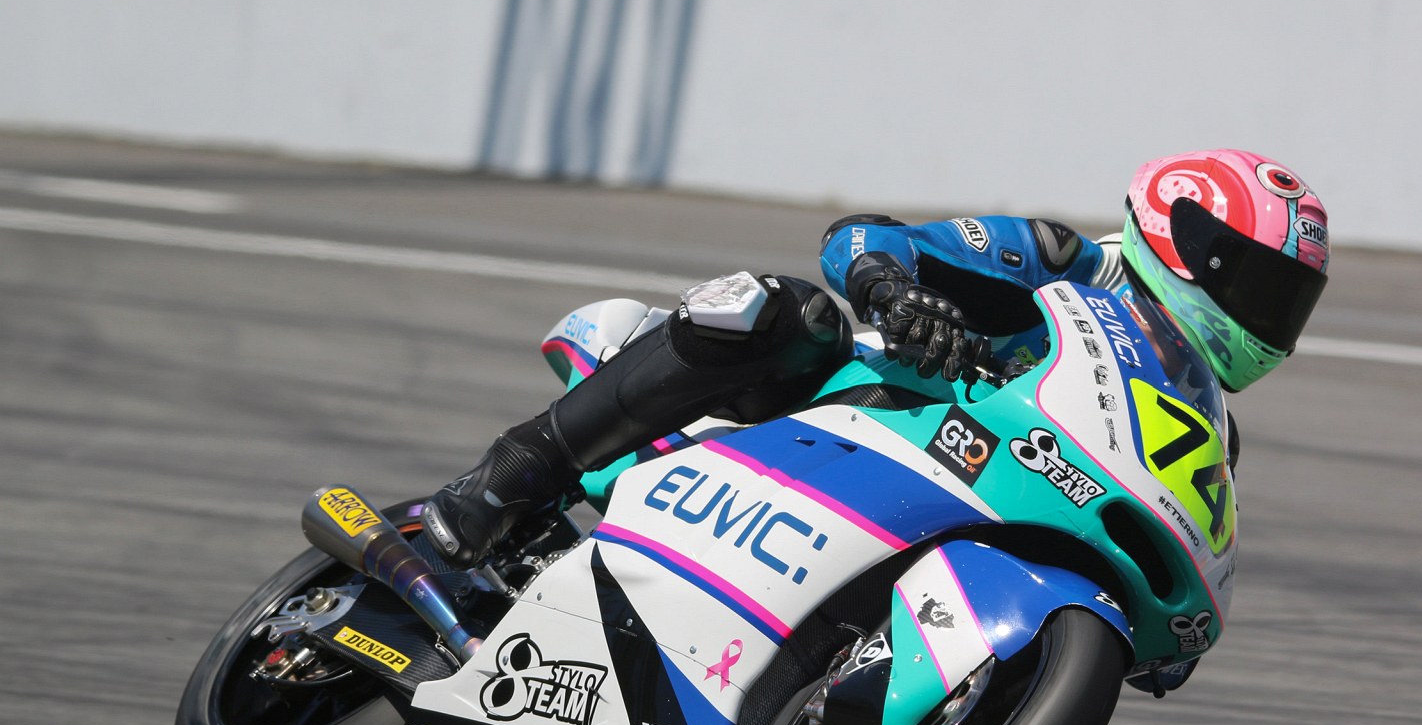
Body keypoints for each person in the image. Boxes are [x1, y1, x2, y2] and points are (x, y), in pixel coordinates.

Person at [420, 148, 1330, 571]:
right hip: (839, 410)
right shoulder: (1064, 262)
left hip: (942, 513)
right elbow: (860, 236)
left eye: (1287, 302)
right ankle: (518, 471)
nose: (1266, 320)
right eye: (1258, 287)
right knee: (791, 312)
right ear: (1186, 242)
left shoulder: (1200, 429)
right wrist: (898, 293)